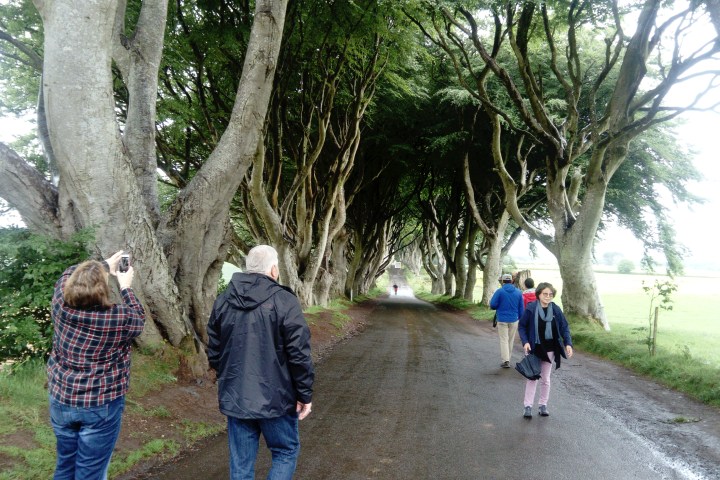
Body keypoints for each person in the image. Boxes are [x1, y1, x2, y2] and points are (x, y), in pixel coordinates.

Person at [207, 245, 314, 480]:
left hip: (236, 396)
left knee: (241, 464)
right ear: (274, 270)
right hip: (277, 399)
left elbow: (214, 350)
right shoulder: (284, 301)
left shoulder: (223, 300)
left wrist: (226, 376)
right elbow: (299, 354)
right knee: (285, 452)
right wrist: (304, 394)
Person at [47, 251, 145, 479]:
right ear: (103, 291)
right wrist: (125, 286)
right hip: (101, 404)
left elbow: (67, 273)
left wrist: (101, 265)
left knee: (65, 466)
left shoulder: (60, 304)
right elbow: (139, 318)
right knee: (90, 472)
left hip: (61, 398)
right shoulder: (117, 318)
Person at [517, 282, 573, 419]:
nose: (548, 297)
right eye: (545, 294)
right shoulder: (531, 308)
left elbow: (564, 327)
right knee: (532, 378)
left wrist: (568, 344)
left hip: (550, 349)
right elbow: (522, 327)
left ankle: (543, 405)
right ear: (539, 294)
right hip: (534, 348)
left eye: (550, 294)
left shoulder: (555, 310)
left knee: (546, 379)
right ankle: (528, 406)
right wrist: (525, 342)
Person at [490, 273, 524, 368]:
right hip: (514, 319)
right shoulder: (518, 292)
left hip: (502, 319)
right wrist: (520, 319)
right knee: (510, 339)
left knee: (504, 339)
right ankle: (507, 359)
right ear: (512, 280)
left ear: (503, 281)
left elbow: (492, 305)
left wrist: (499, 306)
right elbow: (521, 308)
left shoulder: (499, 291)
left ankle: (506, 360)